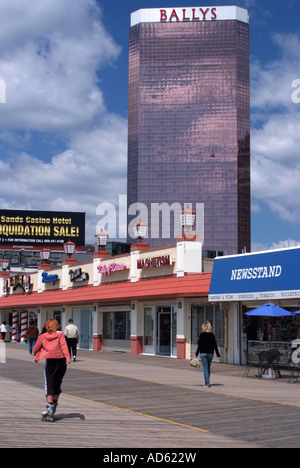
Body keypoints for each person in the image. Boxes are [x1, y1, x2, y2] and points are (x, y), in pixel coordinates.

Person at [33, 319, 70, 421]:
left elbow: (35, 349)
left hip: (50, 362)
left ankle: (49, 409)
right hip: (61, 362)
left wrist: (40, 351)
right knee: (57, 384)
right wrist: (67, 357)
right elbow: (64, 346)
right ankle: (53, 408)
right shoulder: (60, 335)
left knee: (49, 384)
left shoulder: (42, 337)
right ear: (57, 326)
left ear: (46, 326)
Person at [194, 321, 220, 388]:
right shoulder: (212, 335)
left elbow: (199, 345)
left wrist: (196, 354)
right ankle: (207, 382)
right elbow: (215, 345)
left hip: (203, 353)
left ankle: (207, 384)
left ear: (204, 327)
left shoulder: (202, 335)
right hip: (210, 354)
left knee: (205, 368)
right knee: (208, 368)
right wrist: (218, 354)